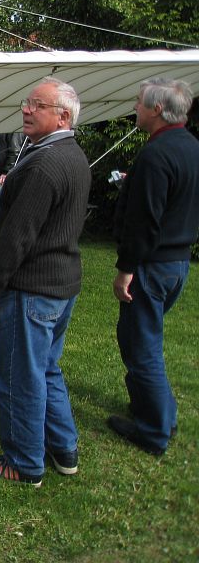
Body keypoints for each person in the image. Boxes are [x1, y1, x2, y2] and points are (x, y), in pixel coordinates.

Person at [0, 78, 91, 487]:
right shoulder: (71, 154)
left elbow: (17, 237)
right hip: (60, 284)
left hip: (34, 288)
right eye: (27, 103)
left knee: (19, 377)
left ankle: (23, 463)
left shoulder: (43, 164)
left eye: (36, 105)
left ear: (62, 116)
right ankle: (65, 449)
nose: (26, 110)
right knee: (46, 369)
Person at [109, 78, 199, 457]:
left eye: (139, 103)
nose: (135, 107)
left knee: (141, 345)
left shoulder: (156, 155)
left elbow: (145, 220)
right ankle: (157, 411)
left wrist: (127, 268)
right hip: (177, 261)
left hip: (152, 264)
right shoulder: (190, 146)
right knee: (145, 339)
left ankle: (154, 430)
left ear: (157, 110)